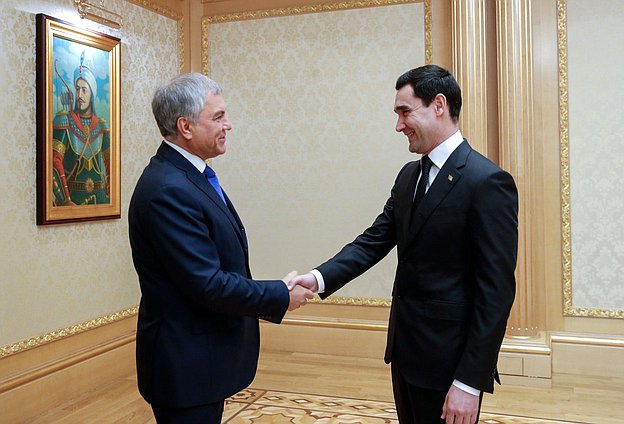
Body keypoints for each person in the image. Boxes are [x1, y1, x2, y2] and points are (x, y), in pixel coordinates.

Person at [289, 64, 518, 424]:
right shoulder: (409, 175)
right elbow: (373, 241)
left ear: (438, 105)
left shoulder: (487, 182)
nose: (398, 126)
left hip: (450, 362)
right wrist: (316, 279)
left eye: (404, 112)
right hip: (406, 353)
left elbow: (497, 293)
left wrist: (470, 382)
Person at [128, 73, 314, 423]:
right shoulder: (168, 189)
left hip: (203, 359)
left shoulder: (190, 176)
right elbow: (207, 283)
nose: (228, 125)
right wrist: (279, 294)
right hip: (185, 364)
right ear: (185, 126)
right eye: (218, 117)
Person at [52, 50, 110, 206]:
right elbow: (54, 162)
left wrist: (110, 198)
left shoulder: (102, 125)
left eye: (84, 89)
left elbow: (111, 164)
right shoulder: (64, 120)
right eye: (77, 89)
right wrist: (65, 200)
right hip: (73, 200)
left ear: (92, 93)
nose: (79, 94)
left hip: (100, 200)